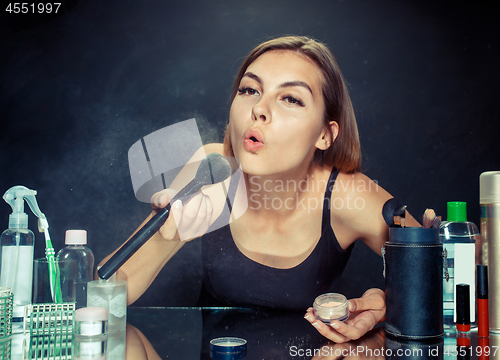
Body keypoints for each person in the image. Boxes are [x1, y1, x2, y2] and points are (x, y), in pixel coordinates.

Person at [100, 35, 420, 343]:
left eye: (291, 98)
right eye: (250, 90)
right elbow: (109, 291)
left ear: (325, 133)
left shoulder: (348, 195)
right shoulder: (214, 171)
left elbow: (450, 267)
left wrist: (387, 303)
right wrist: (163, 234)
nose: (259, 109)